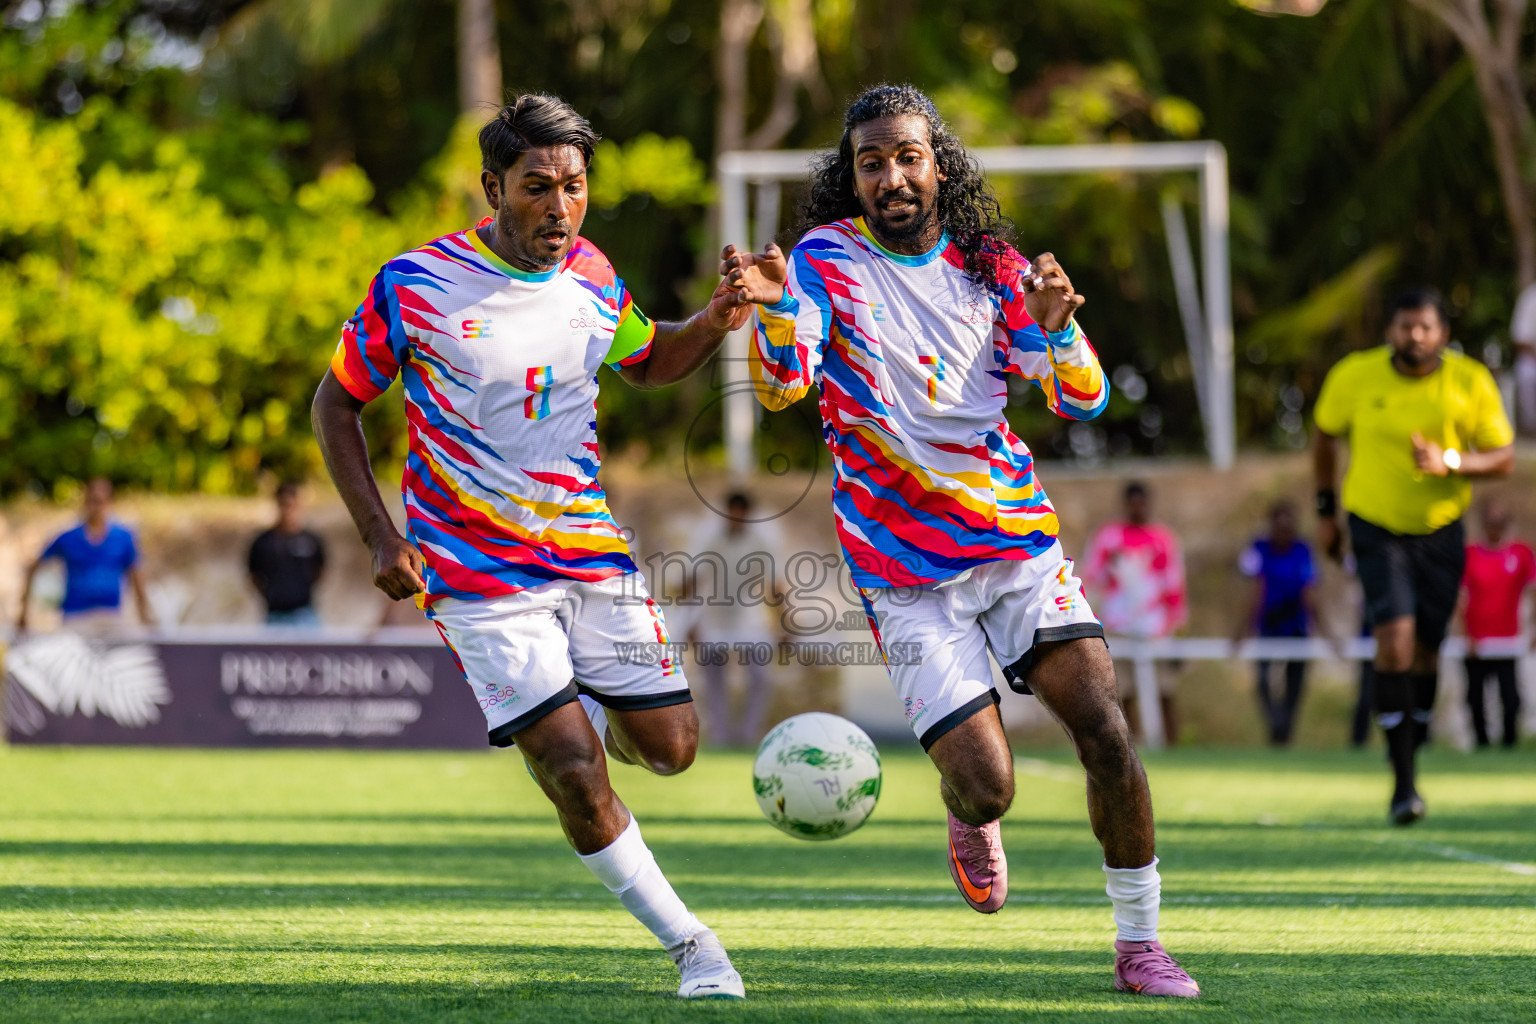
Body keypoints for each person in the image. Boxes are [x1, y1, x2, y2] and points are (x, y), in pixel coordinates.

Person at [723, 84, 1199, 998]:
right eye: (872, 162)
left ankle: (1140, 945)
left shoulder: (994, 265)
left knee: (1104, 727)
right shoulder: (826, 261)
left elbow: (1085, 399)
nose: (892, 176)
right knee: (989, 787)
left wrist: (1060, 330)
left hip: (1015, 542)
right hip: (905, 576)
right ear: (851, 177)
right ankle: (967, 813)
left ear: (938, 162)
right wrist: (778, 309)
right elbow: (784, 388)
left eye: (907, 156)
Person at [311, 95, 753, 999]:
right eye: (538, 187)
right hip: (475, 578)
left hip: (590, 554)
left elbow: (648, 359)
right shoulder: (416, 285)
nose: (560, 207)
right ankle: (694, 947)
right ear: (493, 189)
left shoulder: (591, 270)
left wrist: (712, 321)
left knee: (670, 749)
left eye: (575, 186)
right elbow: (335, 402)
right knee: (572, 772)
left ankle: (578, 700)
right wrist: (378, 536)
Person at [1314, 286, 1515, 824]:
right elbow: (1325, 435)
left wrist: (1449, 461)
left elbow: (1502, 457)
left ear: (1443, 334)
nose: (1415, 336)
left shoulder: (1469, 381)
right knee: (1396, 644)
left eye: (1426, 327)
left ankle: (1411, 731)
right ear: (1389, 331)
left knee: (1427, 649)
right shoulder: (1354, 375)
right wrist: (1327, 511)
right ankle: (1404, 784)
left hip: (1442, 533)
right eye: (1405, 326)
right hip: (1375, 528)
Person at [1084, 482, 1189, 745]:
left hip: (1157, 626)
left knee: (1165, 690)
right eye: (1133, 502)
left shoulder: (1162, 538)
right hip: (1120, 624)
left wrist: (1177, 624)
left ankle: (1173, 745)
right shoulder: (1109, 537)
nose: (1138, 507)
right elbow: (1092, 576)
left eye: (1142, 502)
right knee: (1123, 690)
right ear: (1126, 503)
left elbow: (1174, 582)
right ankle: (1131, 745)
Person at [688, 491, 786, 747]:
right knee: (713, 680)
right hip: (713, 617)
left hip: (750, 619)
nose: (736, 518)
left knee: (761, 677)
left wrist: (785, 622)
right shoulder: (709, 534)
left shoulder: (762, 538)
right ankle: (720, 737)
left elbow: (775, 585)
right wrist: (690, 622)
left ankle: (748, 736)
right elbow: (692, 580)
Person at [16, 477, 155, 635]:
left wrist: (145, 616)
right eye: (92, 501)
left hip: (111, 617)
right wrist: (23, 611)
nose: (96, 507)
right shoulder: (68, 537)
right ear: (85, 502)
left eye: (101, 501)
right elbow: (34, 565)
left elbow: (136, 576)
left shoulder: (123, 537)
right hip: (76, 617)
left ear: (110, 503)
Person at [1232, 500, 1317, 746]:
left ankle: (1285, 733)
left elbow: (1309, 591)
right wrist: (1242, 628)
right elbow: (1252, 590)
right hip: (1267, 624)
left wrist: (1324, 630)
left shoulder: (1303, 549)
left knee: (1295, 685)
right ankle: (1275, 727)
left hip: (1296, 625)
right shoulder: (1259, 548)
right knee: (1262, 682)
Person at [1459, 497, 1534, 748]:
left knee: (1511, 697)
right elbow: (1461, 597)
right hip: (1477, 641)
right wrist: (1465, 634)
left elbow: (1533, 590)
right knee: (1475, 697)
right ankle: (1481, 744)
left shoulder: (1520, 553)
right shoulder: (1469, 555)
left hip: (1507, 640)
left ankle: (1509, 743)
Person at [247, 481, 327, 627]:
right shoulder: (263, 542)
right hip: (275, 615)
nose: (288, 510)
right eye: (284, 504)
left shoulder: (310, 540)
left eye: (292, 505)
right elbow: (254, 576)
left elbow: (320, 571)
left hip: (304, 614)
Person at [1510, 281, 1536, 436]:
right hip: (1532, 359)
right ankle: (1532, 430)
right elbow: (1519, 339)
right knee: (1526, 373)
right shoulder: (1530, 297)